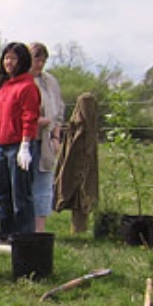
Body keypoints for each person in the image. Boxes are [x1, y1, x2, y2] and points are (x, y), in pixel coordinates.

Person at [0, 42, 41, 241]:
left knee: (21, 196)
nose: (9, 62)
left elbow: (30, 117)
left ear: (22, 61)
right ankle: (5, 235)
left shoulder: (27, 87)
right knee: (2, 194)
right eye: (6, 57)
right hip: (2, 148)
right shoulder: (3, 89)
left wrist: (25, 146)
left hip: (18, 147)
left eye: (13, 58)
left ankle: (23, 238)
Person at [29, 42, 65, 233]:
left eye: (43, 60)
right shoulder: (21, 80)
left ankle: (39, 230)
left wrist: (56, 136)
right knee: (17, 185)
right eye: (36, 58)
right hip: (24, 140)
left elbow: (58, 111)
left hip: (45, 141)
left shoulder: (50, 82)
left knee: (43, 183)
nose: (40, 63)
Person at [55, 92, 99, 233]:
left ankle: (79, 229)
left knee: (83, 195)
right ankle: (77, 229)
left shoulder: (87, 129)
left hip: (84, 170)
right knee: (77, 193)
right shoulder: (75, 128)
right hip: (74, 168)